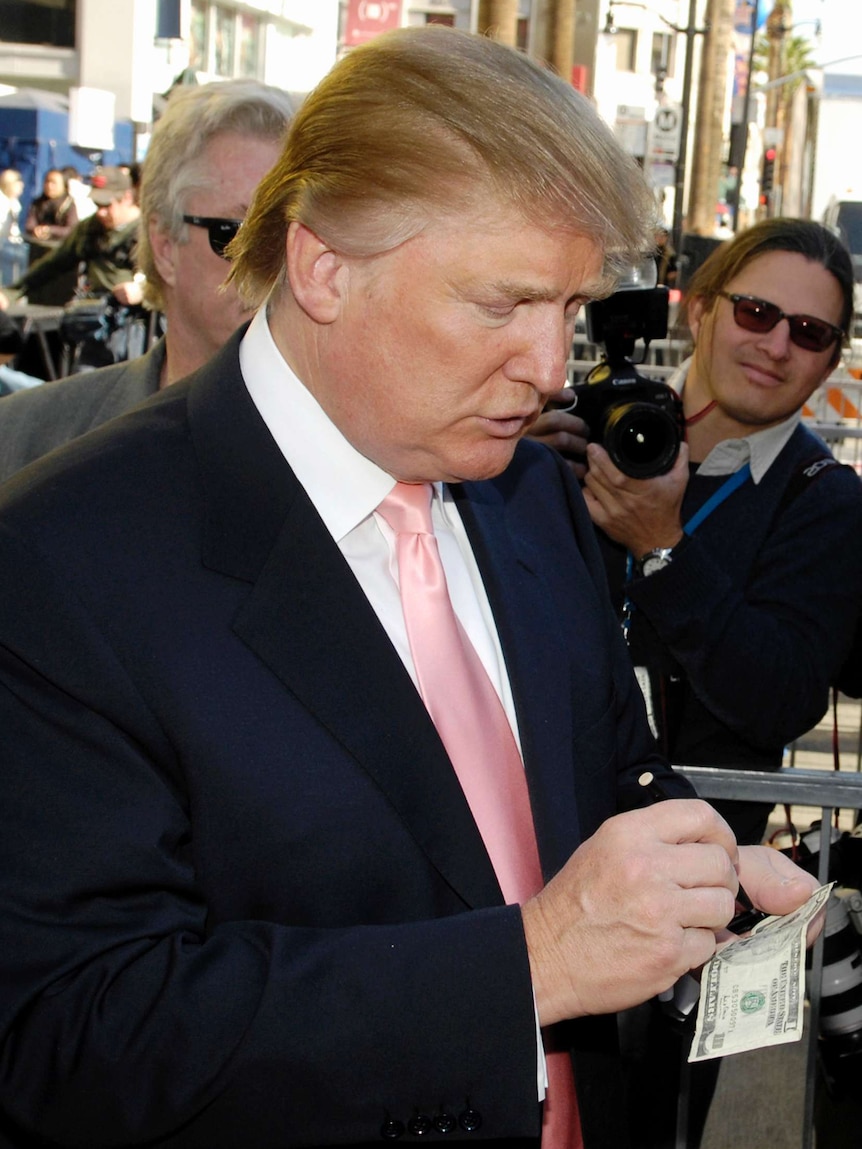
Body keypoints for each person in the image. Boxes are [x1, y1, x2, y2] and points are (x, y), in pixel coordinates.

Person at [0, 28, 819, 1149]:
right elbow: (75, 1031)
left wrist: (700, 878)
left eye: (570, 308)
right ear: (324, 265)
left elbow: (595, 774)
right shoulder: (62, 560)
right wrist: (530, 965)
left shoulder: (529, 496)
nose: (547, 366)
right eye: (503, 305)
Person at [530, 217, 862, 1147]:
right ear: (705, 307)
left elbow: (778, 693)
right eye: (757, 310)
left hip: (688, 908)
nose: (776, 343)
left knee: (639, 1120)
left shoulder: (824, 502)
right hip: (529, 854)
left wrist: (665, 549)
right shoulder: (580, 434)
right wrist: (519, 472)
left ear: (832, 358)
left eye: (810, 332)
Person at [0, 79, 293, 480]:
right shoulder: (30, 439)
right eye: (237, 234)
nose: (274, 263)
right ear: (165, 246)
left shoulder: (375, 459)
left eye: (294, 233)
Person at [0, 166, 140, 309]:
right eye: (97, 205)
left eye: (107, 205)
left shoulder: (147, 231)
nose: (101, 213)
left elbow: (160, 277)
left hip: (135, 316)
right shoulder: (90, 227)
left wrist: (143, 291)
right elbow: (54, 263)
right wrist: (11, 293)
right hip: (97, 309)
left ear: (127, 197)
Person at [23, 168, 79, 243]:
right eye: (47, 182)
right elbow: (29, 225)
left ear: (64, 186)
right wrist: (36, 230)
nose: (49, 186)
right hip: (38, 245)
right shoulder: (38, 203)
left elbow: (71, 230)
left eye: (54, 183)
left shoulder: (68, 205)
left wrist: (50, 230)